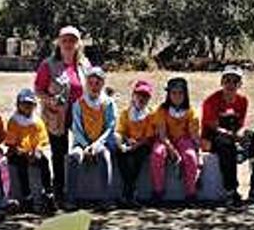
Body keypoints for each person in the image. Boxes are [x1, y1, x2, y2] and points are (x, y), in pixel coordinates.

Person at [201, 66, 254, 207]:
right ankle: (231, 190)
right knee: (227, 146)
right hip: (213, 138)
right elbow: (214, 127)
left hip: (233, 136)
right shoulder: (211, 101)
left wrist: (244, 136)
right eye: (227, 80)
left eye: (235, 81)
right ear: (222, 82)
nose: (230, 85)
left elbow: (240, 125)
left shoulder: (242, 101)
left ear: (240, 84)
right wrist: (235, 137)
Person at [34, 25, 91, 203]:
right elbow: (38, 89)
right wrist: (50, 100)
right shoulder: (48, 65)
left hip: (80, 115)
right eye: (64, 40)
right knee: (59, 154)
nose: (68, 44)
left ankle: (77, 190)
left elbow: (91, 86)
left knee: (80, 150)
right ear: (58, 42)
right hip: (56, 115)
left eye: (72, 40)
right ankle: (59, 192)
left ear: (78, 44)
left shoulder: (84, 64)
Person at [68, 66, 117, 208]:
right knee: (74, 157)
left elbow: (110, 127)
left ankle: (106, 198)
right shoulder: (78, 104)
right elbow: (76, 128)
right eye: (91, 83)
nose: (94, 86)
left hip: (101, 143)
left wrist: (96, 145)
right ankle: (71, 198)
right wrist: (86, 146)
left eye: (98, 83)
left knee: (105, 156)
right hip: (81, 142)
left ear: (103, 84)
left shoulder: (108, 103)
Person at [152, 77, 201, 204]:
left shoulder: (190, 112)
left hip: (183, 139)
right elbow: (162, 135)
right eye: (173, 93)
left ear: (185, 94)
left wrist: (198, 153)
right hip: (165, 140)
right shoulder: (162, 110)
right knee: (158, 154)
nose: (177, 96)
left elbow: (194, 135)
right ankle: (158, 191)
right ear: (168, 95)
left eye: (180, 93)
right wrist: (173, 151)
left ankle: (191, 192)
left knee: (190, 156)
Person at [5, 88, 53, 213]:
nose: (27, 107)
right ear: (18, 105)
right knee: (20, 165)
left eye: (30, 104)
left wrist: (37, 151)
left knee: (44, 162)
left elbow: (42, 141)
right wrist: (23, 152)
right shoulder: (14, 121)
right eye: (24, 104)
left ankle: (47, 191)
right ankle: (26, 196)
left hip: (33, 151)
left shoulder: (38, 122)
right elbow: (11, 144)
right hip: (18, 152)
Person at [116, 79, 156, 207]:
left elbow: (149, 137)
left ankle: (128, 192)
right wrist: (126, 142)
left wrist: (136, 145)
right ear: (133, 96)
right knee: (121, 155)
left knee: (138, 157)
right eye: (139, 95)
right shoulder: (125, 113)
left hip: (143, 145)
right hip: (130, 143)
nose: (141, 99)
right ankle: (129, 191)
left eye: (145, 96)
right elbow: (121, 131)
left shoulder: (150, 115)